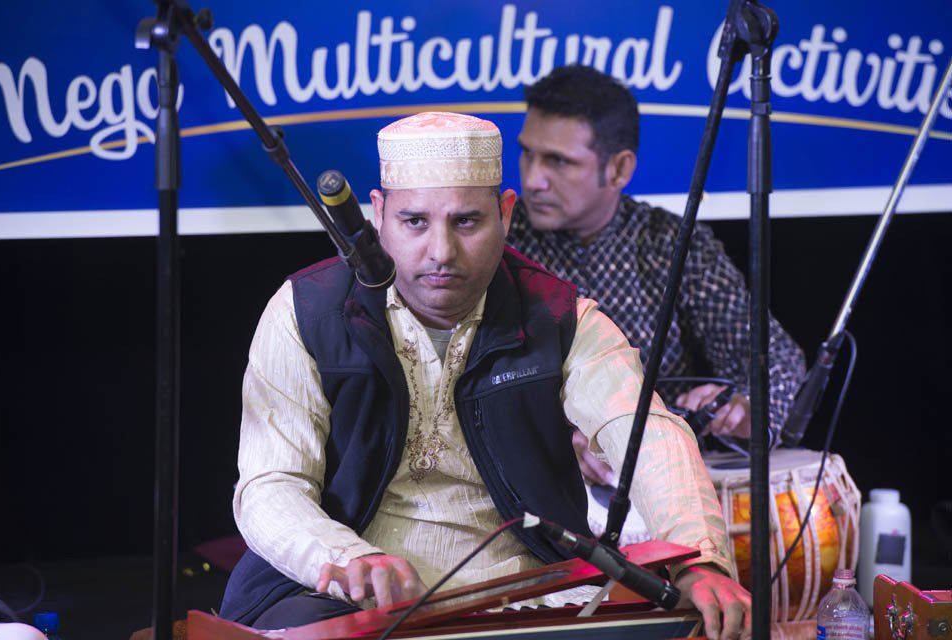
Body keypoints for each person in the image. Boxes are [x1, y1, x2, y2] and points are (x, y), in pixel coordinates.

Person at [219, 111, 751, 640]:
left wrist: (698, 559)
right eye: (415, 222)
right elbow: (272, 484)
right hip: (337, 596)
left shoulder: (560, 317)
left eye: (466, 221)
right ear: (378, 215)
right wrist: (347, 559)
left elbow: (648, 433)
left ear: (505, 212)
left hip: (525, 594)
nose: (441, 252)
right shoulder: (306, 313)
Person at [508, 64, 806, 464]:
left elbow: (775, 358)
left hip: (658, 475)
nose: (534, 180)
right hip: (533, 482)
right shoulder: (500, 242)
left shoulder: (669, 243)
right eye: (528, 154)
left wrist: (745, 404)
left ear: (618, 169)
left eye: (558, 162)